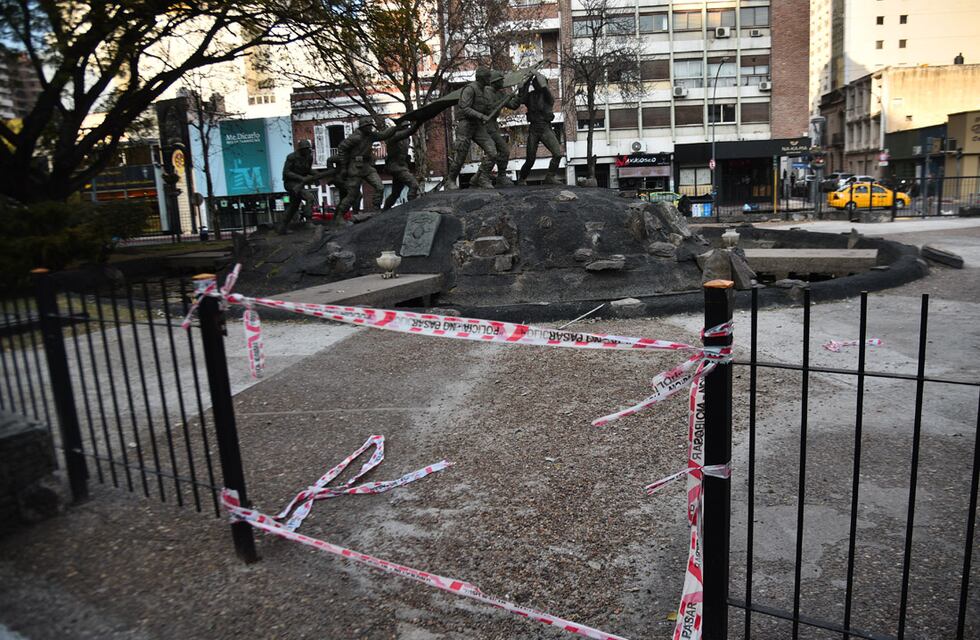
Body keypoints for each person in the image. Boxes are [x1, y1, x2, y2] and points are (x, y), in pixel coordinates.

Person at [446, 67, 498, 190]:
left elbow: (488, 108)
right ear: (482, 78)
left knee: (492, 152)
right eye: (488, 77)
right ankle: (451, 180)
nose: (490, 79)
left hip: (478, 126)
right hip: (466, 125)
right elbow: (465, 108)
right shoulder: (470, 89)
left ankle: (481, 178)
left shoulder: (486, 92)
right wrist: (481, 116)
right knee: (461, 155)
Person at [517, 72, 562, 185]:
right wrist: (527, 81)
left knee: (557, 154)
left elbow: (544, 87)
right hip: (534, 129)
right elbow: (521, 98)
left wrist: (537, 75)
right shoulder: (530, 96)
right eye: (535, 82)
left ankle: (550, 176)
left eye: (539, 82)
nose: (537, 84)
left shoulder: (547, 96)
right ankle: (522, 179)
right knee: (530, 159)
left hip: (545, 128)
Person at [484, 71, 522, 187]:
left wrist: (520, 92)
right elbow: (489, 108)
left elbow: (513, 105)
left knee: (500, 151)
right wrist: (504, 99)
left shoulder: (499, 93)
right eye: (501, 80)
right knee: (494, 152)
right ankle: (484, 177)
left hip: (493, 125)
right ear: (495, 82)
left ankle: (500, 176)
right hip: (485, 125)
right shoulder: (485, 92)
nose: (503, 82)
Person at [382, 119, 423, 209]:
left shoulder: (406, 138)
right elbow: (407, 133)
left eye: (407, 126)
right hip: (395, 166)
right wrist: (418, 123)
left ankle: (385, 209)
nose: (407, 128)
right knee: (414, 185)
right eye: (405, 127)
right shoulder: (395, 136)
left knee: (395, 193)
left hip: (402, 165)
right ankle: (411, 208)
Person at [278, 139, 316, 234]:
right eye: (305, 149)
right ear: (300, 149)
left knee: (294, 205)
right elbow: (286, 172)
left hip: (300, 183)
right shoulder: (291, 157)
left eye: (308, 148)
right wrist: (300, 178)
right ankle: (308, 222)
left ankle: (282, 227)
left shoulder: (309, 157)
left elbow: (308, 170)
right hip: (290, 183)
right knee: (309, 197)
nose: (307, 150)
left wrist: (317, 175)